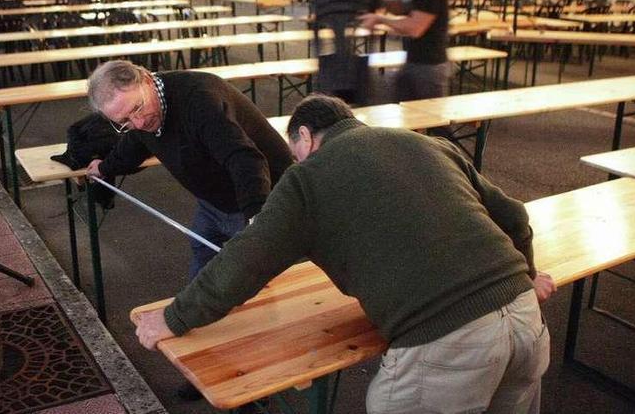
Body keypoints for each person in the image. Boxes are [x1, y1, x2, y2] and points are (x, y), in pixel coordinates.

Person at [135, 95, 556, 414]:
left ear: (304, 137)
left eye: (295, 151)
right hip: (524, 319)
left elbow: (244, 260)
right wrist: (528, 277)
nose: (295, 160)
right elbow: (514, 216)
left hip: (446, 341)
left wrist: (175, 317)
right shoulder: (427, 145)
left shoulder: (307, 179)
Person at [85, 60, 293, 398]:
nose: (138, 122)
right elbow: (136, 143)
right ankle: (205, 367)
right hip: (214, 200)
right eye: (124, 121)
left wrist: (258, 219)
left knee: (243, 290)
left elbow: (246, 160)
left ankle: (254, 383)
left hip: (257, 196)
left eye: (137, 109)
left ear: (147, 80)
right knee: (203, 284)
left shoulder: (200, 99)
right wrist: (106, 167)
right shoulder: (141, 117)